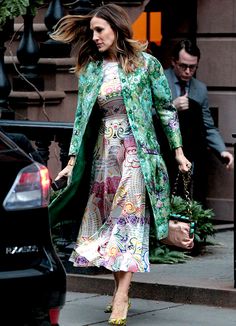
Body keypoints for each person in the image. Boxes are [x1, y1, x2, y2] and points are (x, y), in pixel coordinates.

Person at [49, 4, 191, 325]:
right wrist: (72, 160)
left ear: (116, 27)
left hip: (138, 154)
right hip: (104, 154)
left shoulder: (146, 65)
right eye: (92, 32)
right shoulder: (92, 70)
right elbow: (82, 118)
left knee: (129, 216)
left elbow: (166, 110)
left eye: (100, 30)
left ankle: (122, 296)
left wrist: (179, 151)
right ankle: (119, 290)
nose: (94, 37)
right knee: (112, 222)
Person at [161, 39, 234, 206]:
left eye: (192, 67)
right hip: (164, 150)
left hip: (190, 153)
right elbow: (144, 114)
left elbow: (208, 125)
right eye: (183, 66)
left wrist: (222, 151)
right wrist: (172, 107)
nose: (188, 72)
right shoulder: (161, 80)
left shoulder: (199, 89)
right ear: (173, 62)